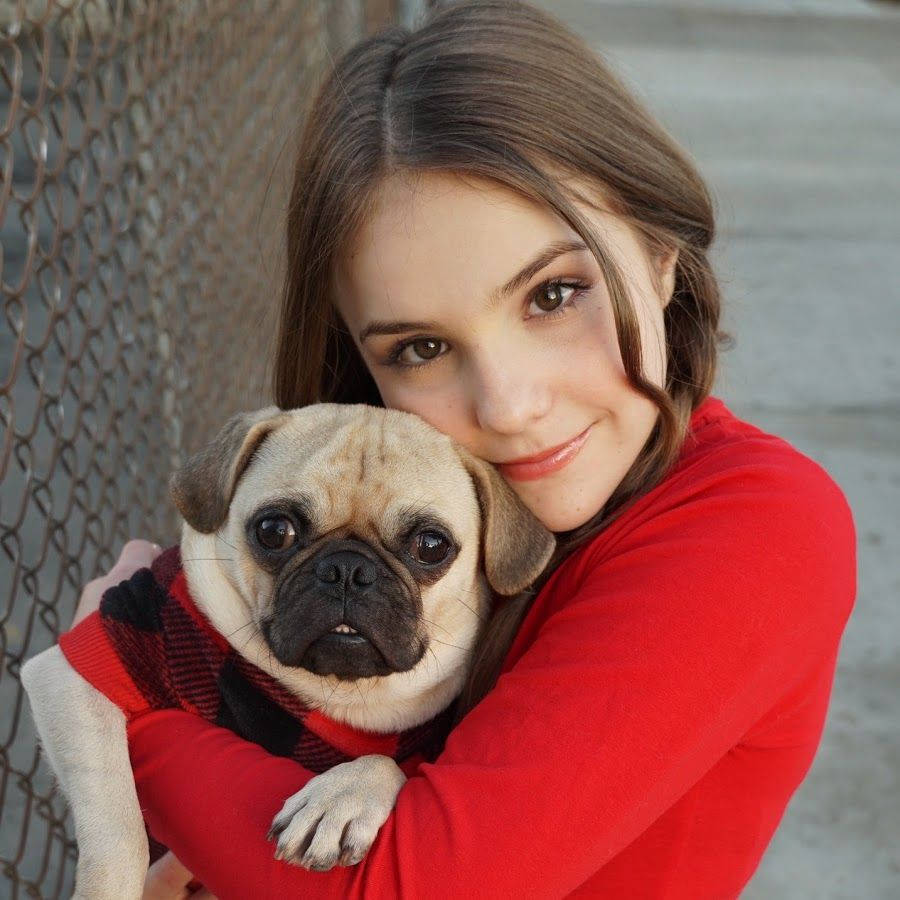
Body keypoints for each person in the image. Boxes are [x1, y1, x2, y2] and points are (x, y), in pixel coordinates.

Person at [69, 1, 856, 897]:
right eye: (421, 349)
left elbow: (401, 887)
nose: (511, 405)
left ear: (662, 256)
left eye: (555, 295)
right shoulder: (413, 510)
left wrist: (123, 695)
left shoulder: (757, 529)